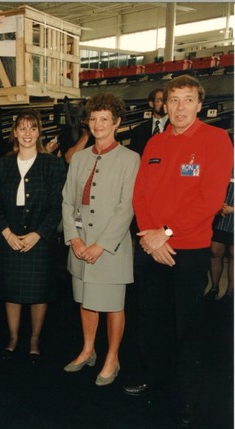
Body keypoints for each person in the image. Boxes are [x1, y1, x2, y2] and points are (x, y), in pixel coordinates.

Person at [122, 75, 233, 427]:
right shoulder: (154, 144)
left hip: (188, 250)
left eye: (188, 100)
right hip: (153, 248)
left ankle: (188, 396)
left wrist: (165, 233)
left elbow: (210, 200)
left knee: (188, 327)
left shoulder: (216, 140)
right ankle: (155, 377)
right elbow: (140, 195)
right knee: (151, 320)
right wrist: (150, 237)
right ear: (163, 104)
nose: (180, 107)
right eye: (174, 100)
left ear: (200, 104)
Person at [61, 93, 140, 386]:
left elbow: (127, 207)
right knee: (86, 301)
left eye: (104, 119)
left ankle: (112, 358)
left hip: (110, 248)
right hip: (80, 247)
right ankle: (88, 349)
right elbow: (67, 202)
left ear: (116, 122)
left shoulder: (130, 159)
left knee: (113, 304)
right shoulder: (79, 158)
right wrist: (75, 239)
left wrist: (101, 245)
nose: (98, 124)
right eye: (93, 119)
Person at [0, 109, 65, 362]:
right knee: (11, 290)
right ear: (15, 132)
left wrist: (38, 234)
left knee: (38, 291)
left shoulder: (52, 164)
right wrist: (7, 233)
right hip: (9, 237)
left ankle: (34, 339)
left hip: (39, 239)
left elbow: (57, 206)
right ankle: (13, 337)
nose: (27, 133)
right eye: (22, 128)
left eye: (33, 128)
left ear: (39, 133)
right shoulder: (1, 165)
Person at [207, 168, 234, 301]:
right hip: (221, 216)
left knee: (234, 255)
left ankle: (230, 294)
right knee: (215, 251)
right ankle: (214, 288)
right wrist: (217, 205)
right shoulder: (228, 161)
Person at [128, 88, 168, 156]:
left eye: (166, 100)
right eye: (160, 100)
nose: (164, 104)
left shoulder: (176, 127)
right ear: (151, 104)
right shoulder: (138, 131)